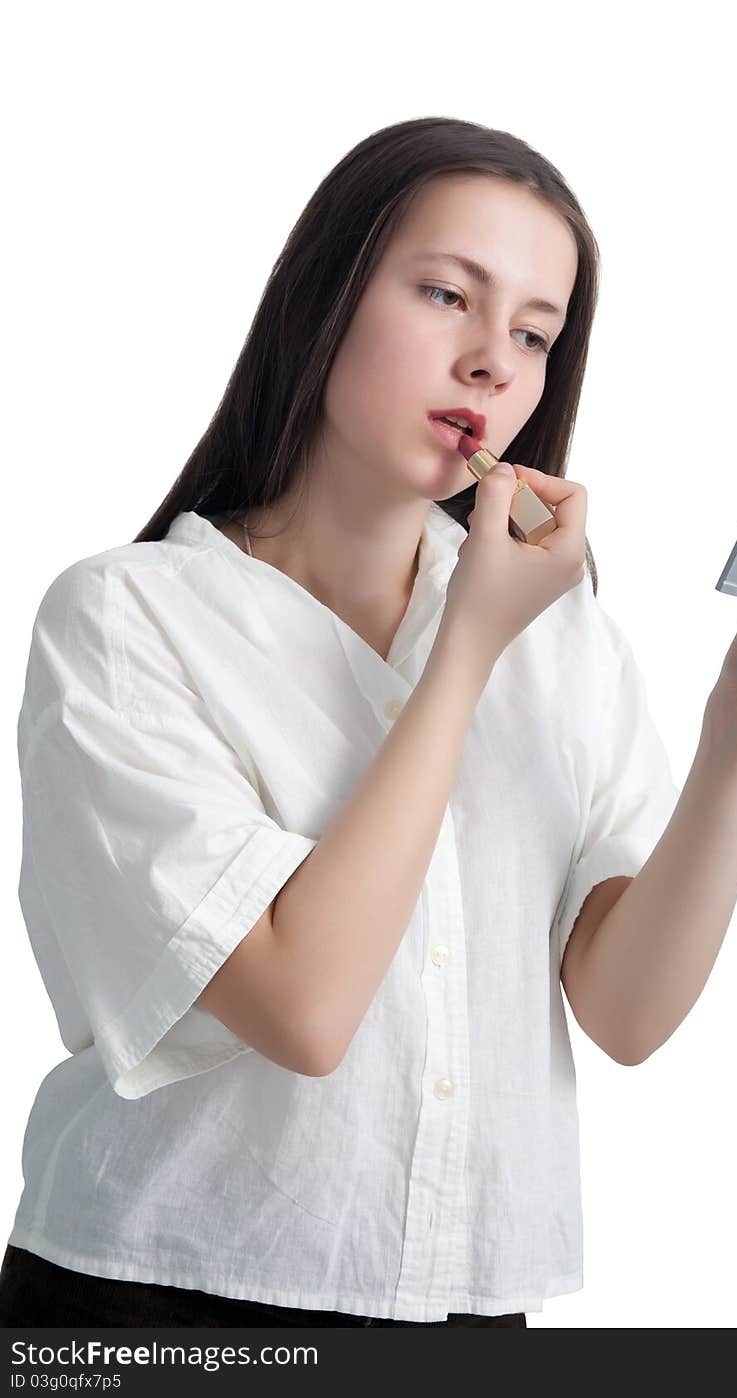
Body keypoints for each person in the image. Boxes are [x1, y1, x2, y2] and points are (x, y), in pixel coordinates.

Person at [0, 116, 681, 1328]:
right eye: (443, 295)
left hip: (468, 1309)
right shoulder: (127, 619)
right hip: (161, 1306)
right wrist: (466, 648)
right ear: (323, 298)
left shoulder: (563, 635)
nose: (493, 363)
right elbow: (305, 1009)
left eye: (533, 333)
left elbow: (627, 1016)